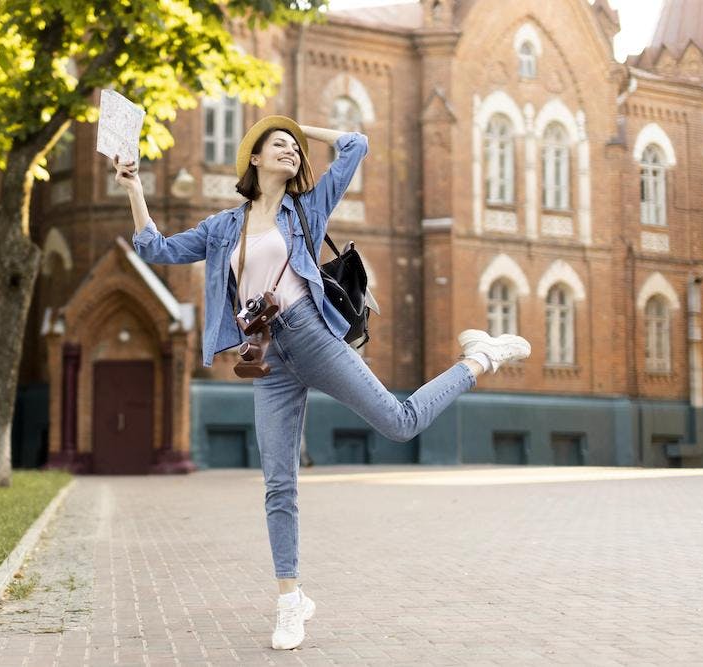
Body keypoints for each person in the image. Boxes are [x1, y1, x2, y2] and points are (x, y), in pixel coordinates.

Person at [112, 115, 531, 650]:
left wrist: (299, 126)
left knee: (400, 423)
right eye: (277, 144)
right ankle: (290, 600)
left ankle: (479, 359)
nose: (290, 150)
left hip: (311, 333)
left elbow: (356, 145)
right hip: (265, 356)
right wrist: (134, 187)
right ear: (254, 159)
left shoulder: (305, 208)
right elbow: (157, 249)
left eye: (295, 147)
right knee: (278, 483)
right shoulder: (224, 227)